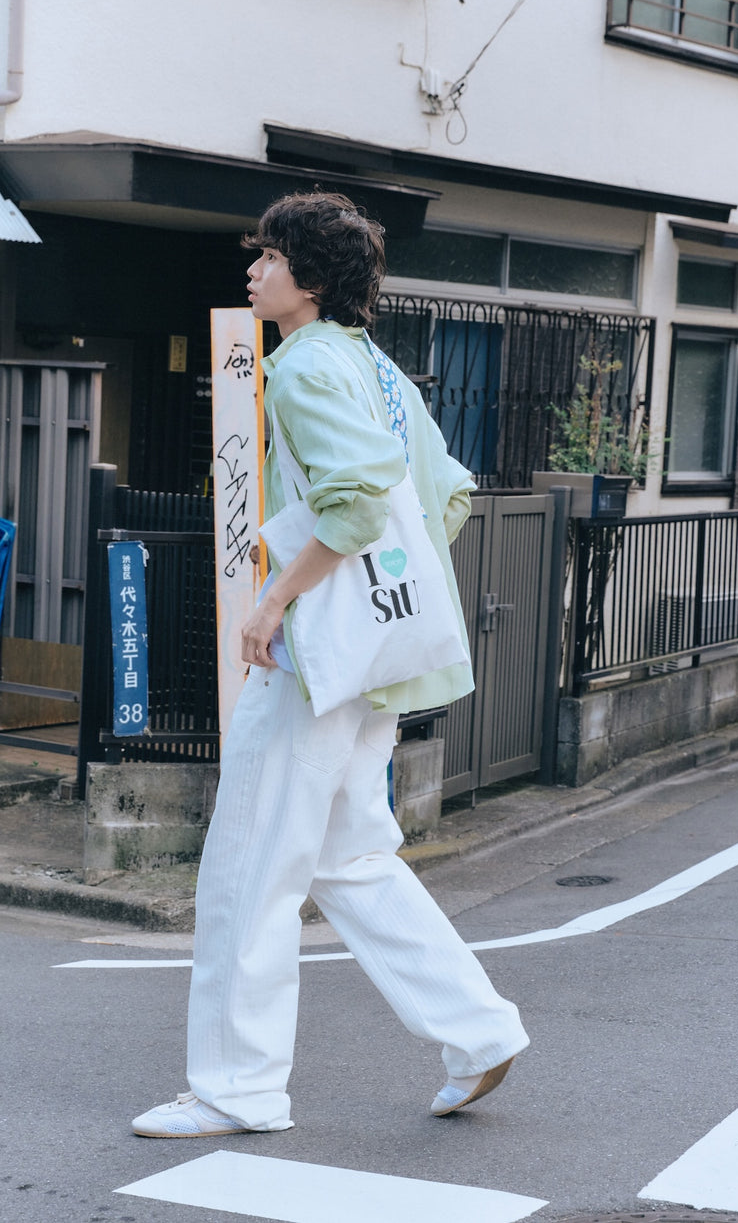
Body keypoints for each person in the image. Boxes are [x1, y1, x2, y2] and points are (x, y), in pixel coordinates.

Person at [132, 192, 528, 1139]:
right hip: (382, 661)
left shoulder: (301, 369)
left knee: (250, 866)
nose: (253, 270)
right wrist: (379, 598)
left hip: (316, 662)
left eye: (268, 257)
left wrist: (276, 600)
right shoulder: (376, 366)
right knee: (350, 856)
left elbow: (353, 507)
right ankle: (477, 1032)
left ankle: (237, 1087)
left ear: (308, 282)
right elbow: (451, 496)